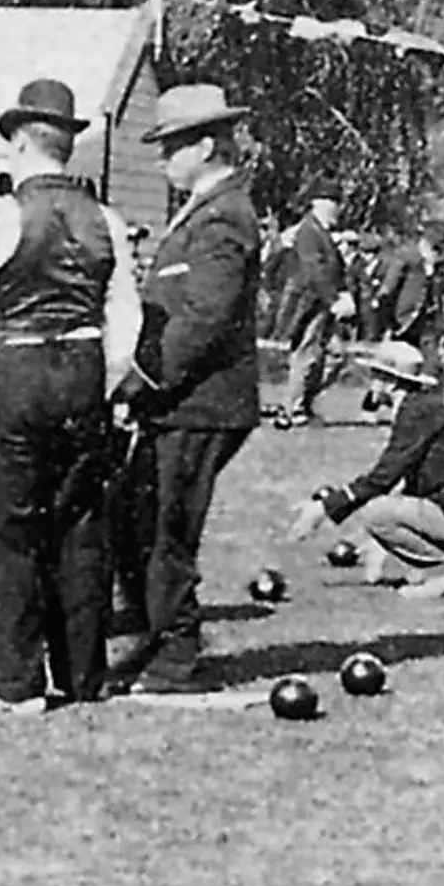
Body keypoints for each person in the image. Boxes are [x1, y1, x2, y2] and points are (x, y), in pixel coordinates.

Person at [0, 78, 141, 714]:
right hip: (82, 372)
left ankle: (16, 683)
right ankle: (80, 674)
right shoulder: (108, 221)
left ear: (20, 142)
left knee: (7, 530)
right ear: (68, 145)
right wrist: (98, 391)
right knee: (80, 525)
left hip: (15, 371)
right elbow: (125, 329)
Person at [112, 84, 262, 698]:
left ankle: (176, 656)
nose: (162, 160)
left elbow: (204, 318)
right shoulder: (205, 209)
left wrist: (139, 384)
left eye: (171, 147)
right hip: (182, 401)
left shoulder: (225, 215)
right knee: (138, 520)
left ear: (206, 144)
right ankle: (156, 641)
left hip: (199, 403)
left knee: (164, 530)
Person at [287, 341, 444, 600]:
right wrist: (378, 543)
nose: (371, 384)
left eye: (376, 377)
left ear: (390, 383)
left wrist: (324, 508)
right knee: (383, 512)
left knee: (376, 512)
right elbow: (405, 483)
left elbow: (382, 479)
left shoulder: (416, 412)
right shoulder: (421, 407)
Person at [280, 180, 353, 423]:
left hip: (324, 304)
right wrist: (333, 299)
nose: (338, 209)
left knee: (335, 355)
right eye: (334, 203)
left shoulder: (321, 232)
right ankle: (294, 408)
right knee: (306, 353)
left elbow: (333, 269)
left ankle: (305, 401)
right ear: (318, 203)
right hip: (312, 303)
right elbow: (315, 271)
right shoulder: (309, 232)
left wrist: (342, 294)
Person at [375, 221, 444, 380]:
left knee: (431, 363)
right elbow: (388, 288)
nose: (438, 253)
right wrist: (387, 320)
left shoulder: (442, 263)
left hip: (428, 321)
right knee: (396, 362)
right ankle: (380, 395)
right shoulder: (407, 257)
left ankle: (427, 396)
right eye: (435, 247)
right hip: (403, 319)